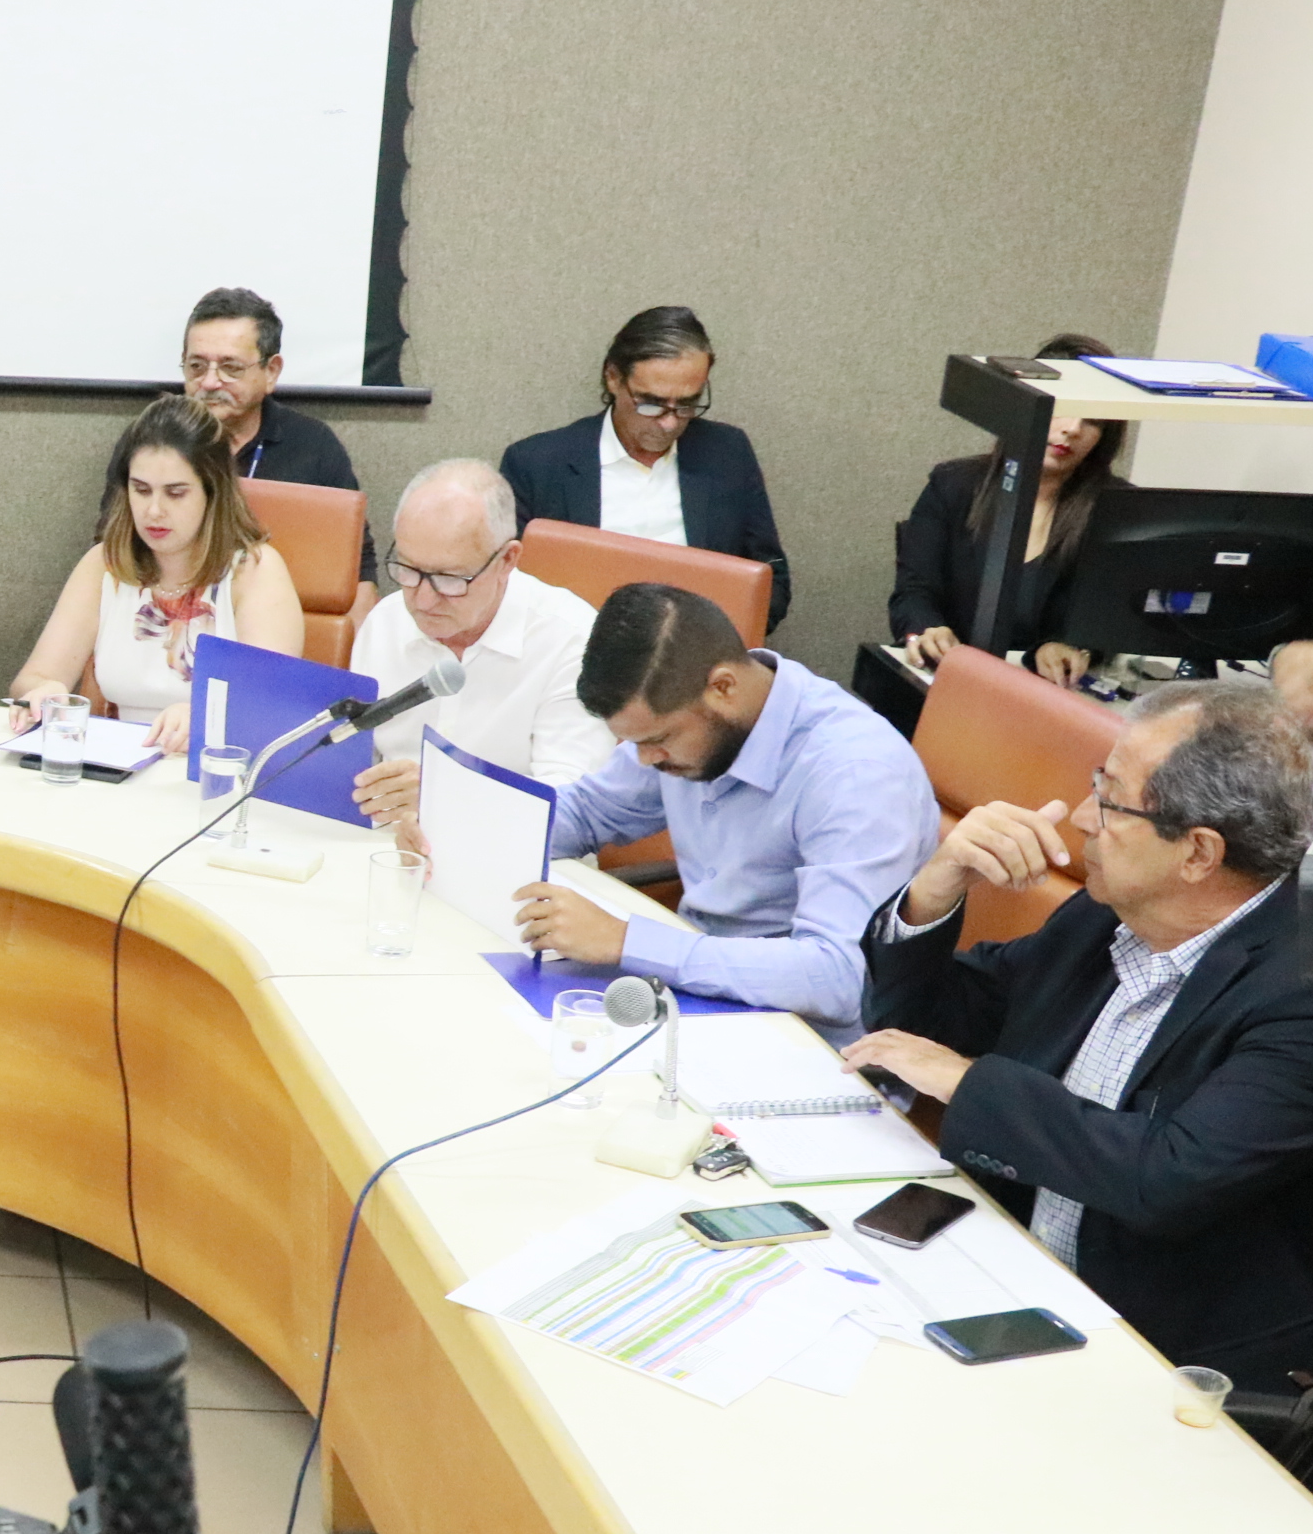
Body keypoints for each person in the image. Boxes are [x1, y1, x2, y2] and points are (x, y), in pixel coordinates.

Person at [845, 680, 1313, 1389]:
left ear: (1197, 852)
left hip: (1168, 1356)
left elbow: (1168, 1176)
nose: (1082, 817)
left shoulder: (1301, 991)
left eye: (1111, 799)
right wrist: (935, 891)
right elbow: (923, 1028)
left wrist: (969, 1081)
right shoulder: (1107, 913)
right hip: (1006, 1273)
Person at [512, 583, 934, 1042]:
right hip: (696, 998)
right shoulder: (689, 715)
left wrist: (626, 941)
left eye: (658, 740)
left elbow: (839, 978)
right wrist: (471, 828)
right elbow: (586, 811)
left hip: (807, 1042)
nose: (646, 760)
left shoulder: (856, 773)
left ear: (723, 687)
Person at [6, 396, 301, 757]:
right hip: (120, 766)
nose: (154, 511)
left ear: (213, 492)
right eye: (141, 490)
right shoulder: (104, 565)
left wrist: (205, 717)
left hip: (214, 770)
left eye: (175, 493)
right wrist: (42, 693)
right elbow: (32, 679)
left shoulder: (254, 571)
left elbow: (272, 706)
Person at [347, 459, 614, 836]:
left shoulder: (571, 639)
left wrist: (450, 796)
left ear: (507, 560)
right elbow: (357, 763)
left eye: (449, 578)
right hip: (388, 848)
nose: (423, 600)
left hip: (515, 855)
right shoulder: (386, 621)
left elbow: (572, 806)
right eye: (407, 570)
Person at [499, 306, 792, 628]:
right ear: (613, 378)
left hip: (697, 646)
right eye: (652, 403)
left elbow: (771, 583)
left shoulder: (727, 454)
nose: (669, 423)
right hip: (572, 647)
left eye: (687, 404)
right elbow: (504, 586)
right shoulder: (537, 464)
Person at [889, 334, 1131, 686]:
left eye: (1092, 420)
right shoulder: (953, 484)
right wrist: (927, 630)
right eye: (1060, 407)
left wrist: (1073, 648)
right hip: (953, 678)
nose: (1072, 429)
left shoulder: (1117, 507)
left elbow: (1111, 616)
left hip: (1051, 691)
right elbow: (913, 592)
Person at [177, 286, 378, 601]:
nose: (210, 382)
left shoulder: (314, 447)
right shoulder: (154, 444)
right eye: (197, 366)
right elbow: (112, 550)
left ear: (271, 372)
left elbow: (358, 570)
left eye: (230, 368)